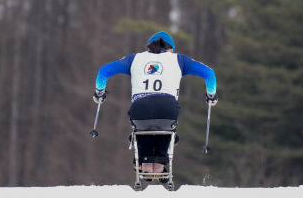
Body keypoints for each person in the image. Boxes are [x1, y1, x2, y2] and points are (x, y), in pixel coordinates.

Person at [93, 31, 218, 173]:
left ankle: (144, 165)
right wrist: (211, 95)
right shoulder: (179, 59)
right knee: (166, 128)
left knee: (142, 128)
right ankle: (160, 165)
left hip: (140, 110)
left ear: (148, 48)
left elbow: (104, 71)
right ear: (171, 49)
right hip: (167, 110)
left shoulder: (133, 59)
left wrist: (99, 92)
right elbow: (209, 73)